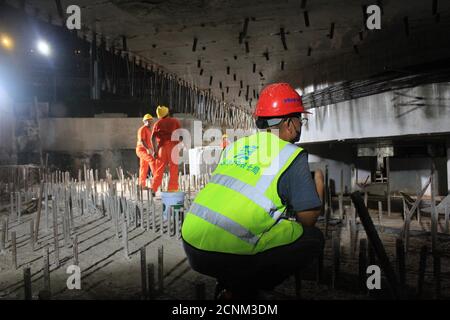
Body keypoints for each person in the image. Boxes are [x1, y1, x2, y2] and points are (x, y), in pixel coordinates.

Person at [181, 83, 325, 299]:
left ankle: (229, 288)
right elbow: (308, 219)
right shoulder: (291, 155)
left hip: (191, 243)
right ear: (288, 123)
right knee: (313, 238)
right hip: (228, 254)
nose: (300, 126)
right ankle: (244, 290)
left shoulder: (235, 147)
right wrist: (319, 183)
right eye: (299, 120)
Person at [151, 105, 182, 194]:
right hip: (173, 147)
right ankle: (172, 189)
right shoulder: (175, 121)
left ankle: (154, 189)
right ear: (167, 113)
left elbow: (152, 137)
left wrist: (155, 150)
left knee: (159, 169)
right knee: (173, 169)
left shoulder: (157, 124)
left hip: (162, 149)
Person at [136, 114, 155, 190]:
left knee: (144, 167)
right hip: (141, 150)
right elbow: (142, 140)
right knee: (152, 160)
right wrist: (147, 149)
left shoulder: (150, 130)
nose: (150, 122)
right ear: (144, 122)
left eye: (150, 121)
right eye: (148, 121)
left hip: (147, 150)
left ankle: (142, 185)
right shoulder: (142, 129)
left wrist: (153, 150)